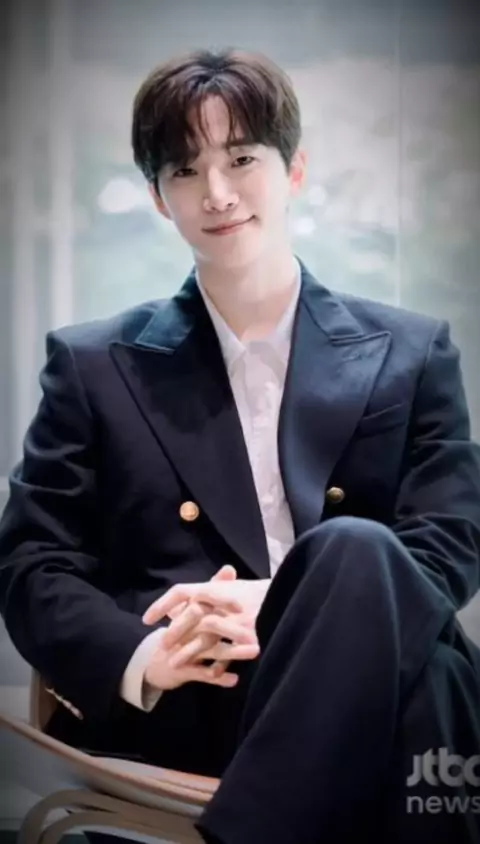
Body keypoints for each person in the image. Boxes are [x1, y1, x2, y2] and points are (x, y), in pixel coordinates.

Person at [0, 45, 480, 844]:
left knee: (357, 555)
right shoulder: (93, 365)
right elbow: (32, 564)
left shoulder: (412, 350)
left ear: (295, 170)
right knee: (430, 689)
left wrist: (292, 602)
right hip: (208, 694)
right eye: (185, 170)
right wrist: (143, 656)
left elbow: (452, 539)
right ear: (159, 198)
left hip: (375, 674)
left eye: (242, 159)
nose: (217, 193)